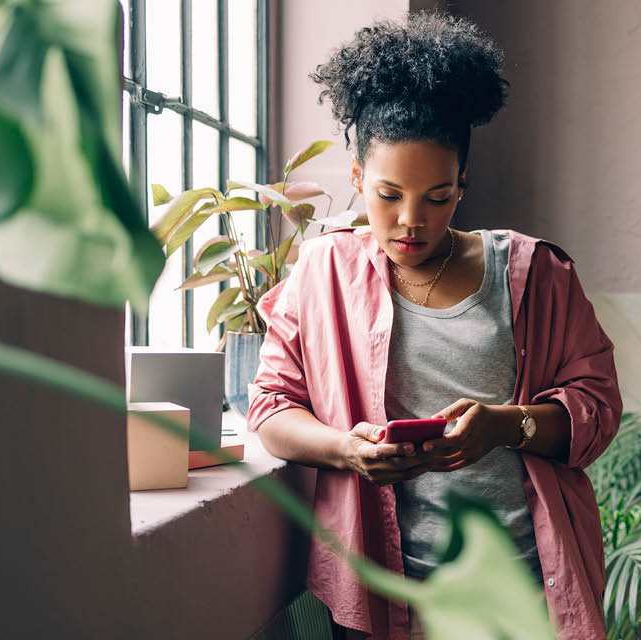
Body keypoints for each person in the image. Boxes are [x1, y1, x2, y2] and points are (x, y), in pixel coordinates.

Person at [246, 11, 621, 640]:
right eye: (388, 195)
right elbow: (269, 407)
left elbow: (597, 411)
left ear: (463, 182)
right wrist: (349, 450)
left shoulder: (537, 273)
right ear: (358, 178)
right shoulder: (323, 273)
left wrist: (504, 425)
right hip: (383, 593)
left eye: (438, 196)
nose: (410, 221)